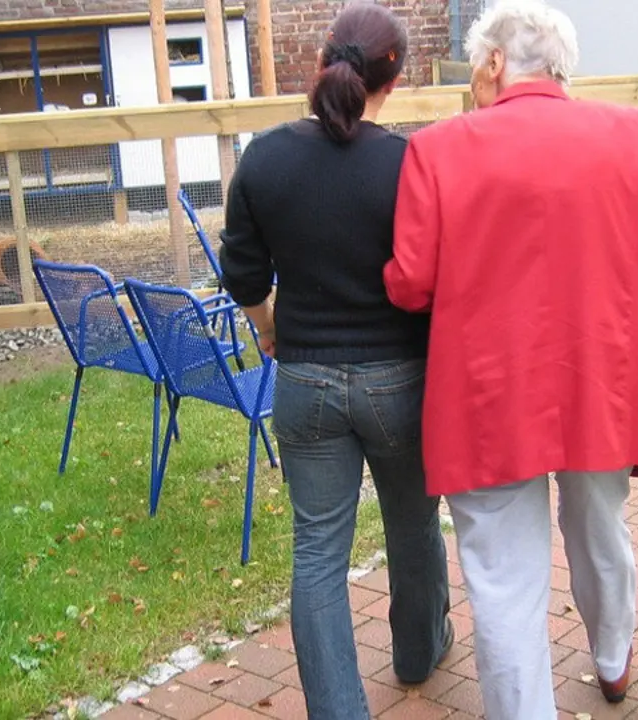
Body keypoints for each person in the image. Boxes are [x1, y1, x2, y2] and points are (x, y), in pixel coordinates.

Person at [382, 1, 638, 717]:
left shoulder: (437, 149)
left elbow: (410, 283)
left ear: (497, 62)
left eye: (478, 63)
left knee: (503, 577)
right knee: (600, 526)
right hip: (602, 383)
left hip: (485, 395)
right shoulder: (630, 134)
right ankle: (614, 657)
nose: (474, 77)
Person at [218, 3, 453, 717]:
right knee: (414, 525)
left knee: (318, 552)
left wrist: (268, 329)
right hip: (401, 382)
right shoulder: (410, 162)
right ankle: (418, 652)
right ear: (398, 76)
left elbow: (244, 272)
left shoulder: (264, 157)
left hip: (305, 381)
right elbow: (436, 272)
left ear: (321, 63)